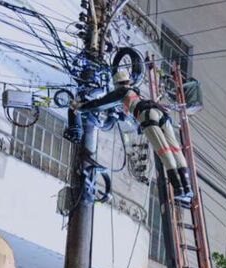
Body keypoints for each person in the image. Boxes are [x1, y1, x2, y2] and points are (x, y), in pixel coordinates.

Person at [73, 69, 194, 203]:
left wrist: (81, 107)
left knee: (164, 151)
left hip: (147, 116)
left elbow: (100, 104)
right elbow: (126, 115)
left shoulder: (122, 92)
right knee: (176, 150)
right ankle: (187, 188)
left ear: (117, 84)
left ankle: (178, 188)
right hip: (161, 114)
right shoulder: (135, 92)